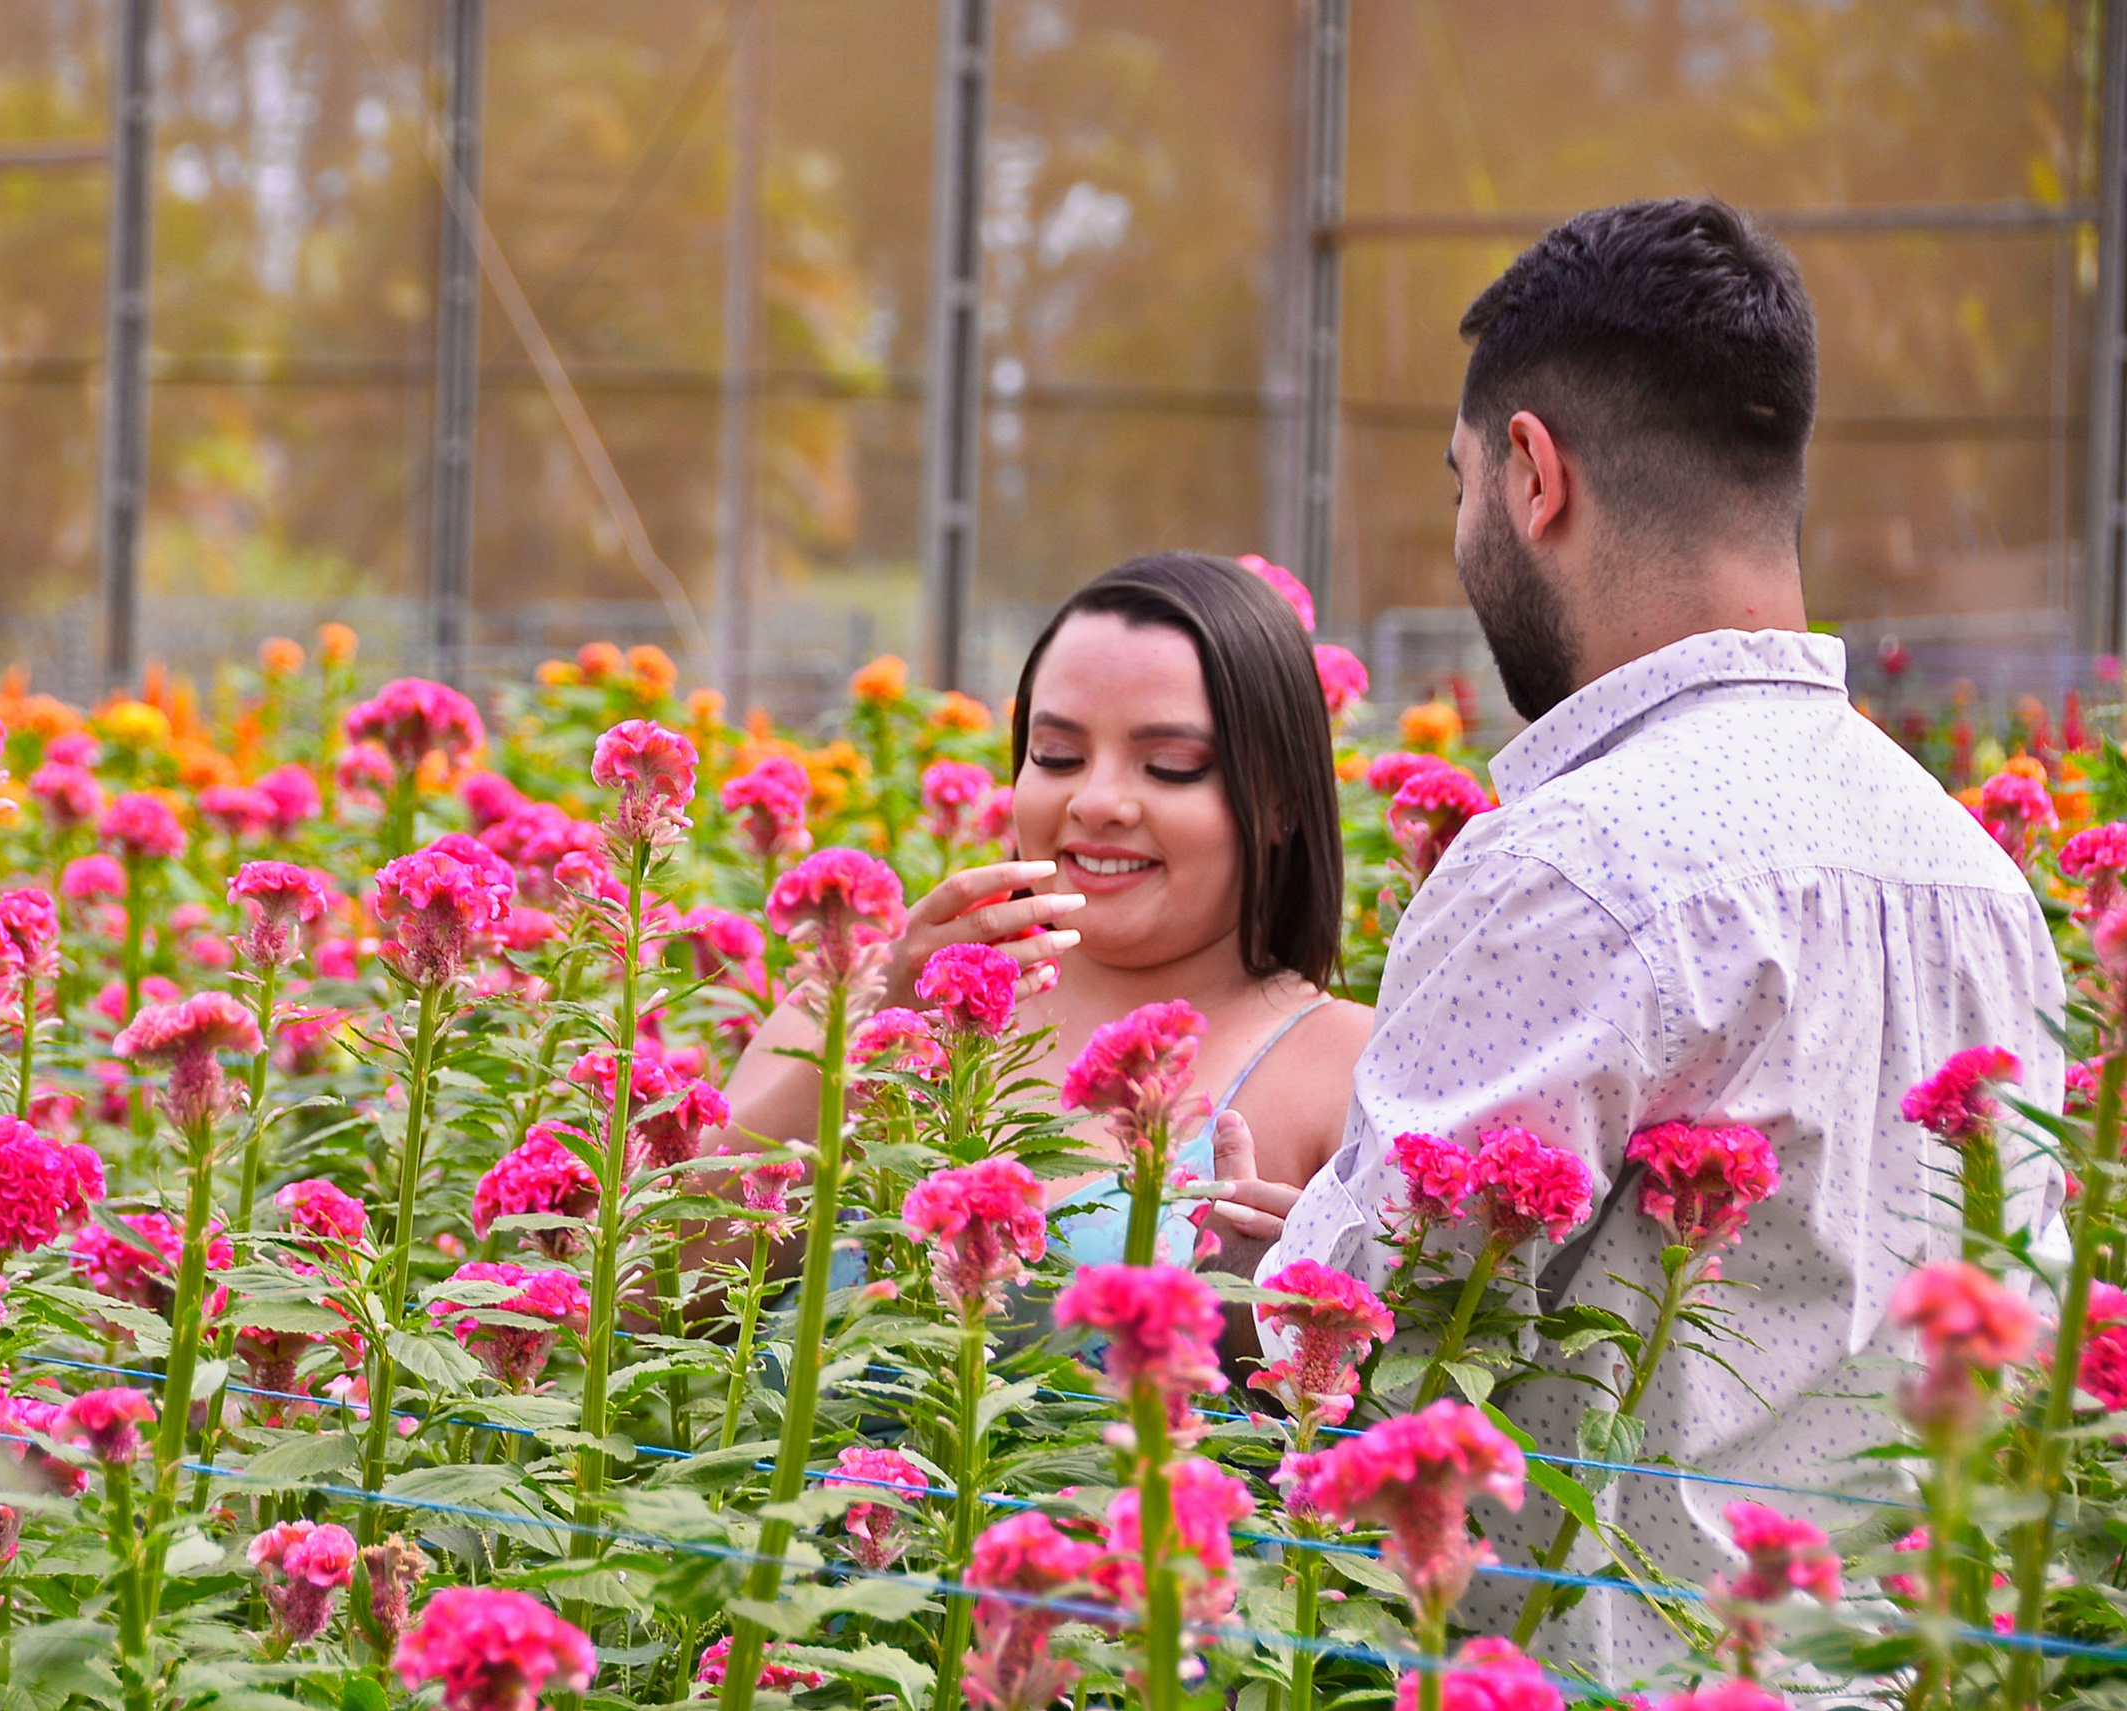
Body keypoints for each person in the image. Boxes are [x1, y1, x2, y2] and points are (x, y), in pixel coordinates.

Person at [1249, 197, 2066, 1670]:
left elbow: (1367, 1332)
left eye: (1461, 485)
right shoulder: (1975, 881)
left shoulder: (1577, 866)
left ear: (1533, 474)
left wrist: (1288, 1251)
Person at [716, 552, 1372, 1289]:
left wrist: (1265, 1318)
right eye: (1057, 755)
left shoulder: (1351, 1074)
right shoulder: (854, 999)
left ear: (1282, 802)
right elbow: (648, 1300)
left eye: (1171, 764)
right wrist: (862, 1045)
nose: (1096, 801)